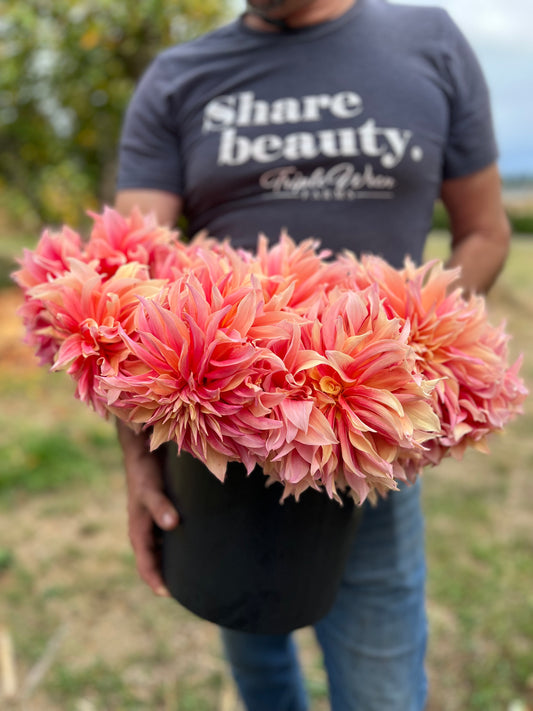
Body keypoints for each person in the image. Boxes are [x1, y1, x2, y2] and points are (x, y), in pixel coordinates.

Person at [113, 1, 511, 708]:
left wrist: (417, 335)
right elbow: (125, 275)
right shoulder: (179, 77)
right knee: (256, 664)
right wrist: (139, 457)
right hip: (219, 452)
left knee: (380, 687)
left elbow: (483, 231)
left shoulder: (429, 40)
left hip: (369, 439)